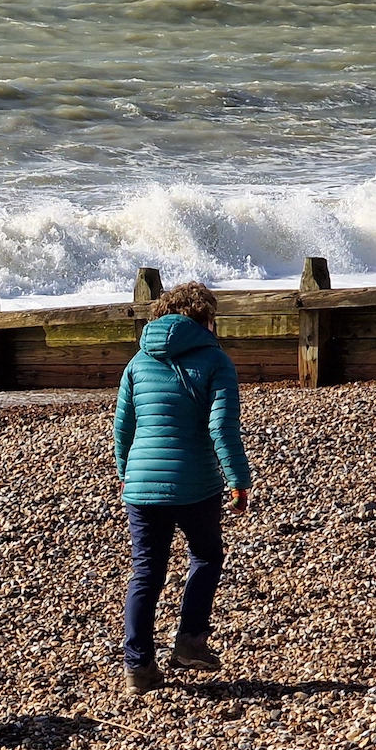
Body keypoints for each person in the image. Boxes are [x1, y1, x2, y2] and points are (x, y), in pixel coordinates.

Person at [112, 280, 253, 695]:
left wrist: (127, 472)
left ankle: (137, 667)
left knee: (146, 571)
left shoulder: (138, 360)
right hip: (196, 484)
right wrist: (238, 480)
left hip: (141, 485)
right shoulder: (215, 360)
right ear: (206, 318)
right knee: (206, 557)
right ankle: (191, 642)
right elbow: (221, 427)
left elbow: (123, 427)